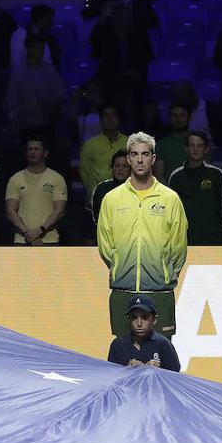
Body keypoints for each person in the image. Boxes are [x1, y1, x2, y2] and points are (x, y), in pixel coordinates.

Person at [97, 132, 188, 337]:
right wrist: (120, 266)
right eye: (135, 154)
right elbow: (105, 245)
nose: (140, 159)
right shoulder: (112, 199)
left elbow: (179, 247)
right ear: (128, 158)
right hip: (123, 290)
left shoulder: (170, 199)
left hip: (160, 292)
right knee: (122, 360)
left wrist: (164, 272)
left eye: (145, 154)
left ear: (153, 159)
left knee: (161, 358)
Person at [3, 35, 67, 145]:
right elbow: (11, 102)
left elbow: (61, 95)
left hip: (48, 124)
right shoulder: (18, 73)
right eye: (37, 48)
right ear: (28, 49)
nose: (40, 52)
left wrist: (56, 107)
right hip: (26, 126)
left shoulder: (50, 70)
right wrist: (14, 124)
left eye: (42, 48)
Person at [169, 131, 222, 245]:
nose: (195, 149)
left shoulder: (217, 174)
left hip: (212, 237)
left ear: (206, 149)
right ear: (186, 149)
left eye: (200, 146)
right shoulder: (176, 176)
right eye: (192, 145)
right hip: (184, 238)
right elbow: (171, 209)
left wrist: (215, 229)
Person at [5, 136, 67, 245]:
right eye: (29, 149)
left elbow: (59, 211)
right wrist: (27, 232)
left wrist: (40, 231)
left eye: (36, 149)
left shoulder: (56, 178)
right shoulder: (16, 179)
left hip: (49, 240)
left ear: (45, 153)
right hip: (22, 240)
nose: (32, 152)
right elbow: (10, 212)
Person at [107, 295, 181, 371]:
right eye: (134, 317)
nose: (139, 323)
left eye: (144, 318)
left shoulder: (163, 345)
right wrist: (127, 370)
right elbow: (111, 376)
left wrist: (157, 372)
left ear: (154, 319)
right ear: (128, 319)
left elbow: (174, 378)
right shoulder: (118, 345)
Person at [80, 104, 127, 197]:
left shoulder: (129, 143)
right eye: (106, 115)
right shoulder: (90, 145)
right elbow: (84, 173)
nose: (110, 119)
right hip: (97, 197)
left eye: (113, 115)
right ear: (101, 120)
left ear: (119, 119)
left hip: (123, 196)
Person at [9, 4, 60, 72]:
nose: (52, 23)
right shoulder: (21, 34)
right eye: (49, 19)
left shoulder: (50, 39)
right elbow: (17, 62)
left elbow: (52, 62)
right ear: (40, 18)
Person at [88, 149, 130, 224]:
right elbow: (97, 217)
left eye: (125, 166)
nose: (120, 169)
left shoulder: (136, 189)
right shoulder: (101, 189)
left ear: (130, 169)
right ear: (112, 168)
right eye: (117, 166)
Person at [153, 102, 191, 181]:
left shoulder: (199, 143)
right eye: (175, 116)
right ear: (170, 119)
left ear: (189, 117)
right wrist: (171, 193)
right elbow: (159, 175)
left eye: (182, 115)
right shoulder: (162, 145)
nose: (178, 119)